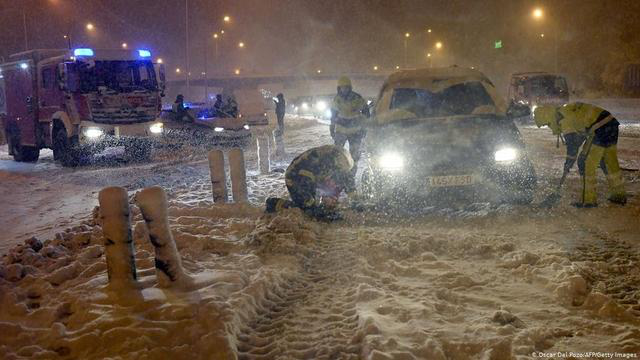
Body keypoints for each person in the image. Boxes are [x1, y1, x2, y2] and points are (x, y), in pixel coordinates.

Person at [534, 103, 627, 207]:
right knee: (609, 161)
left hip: (599, 128)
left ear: (548, 118)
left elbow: (572, 146)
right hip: (610, 124)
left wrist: (568, 164)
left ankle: (588, 200)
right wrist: (571, 155)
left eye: (546, 124)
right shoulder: (565, 111)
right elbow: (580, 133)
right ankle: (619, 194)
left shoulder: (564, 120)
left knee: (584, 162)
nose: (549, 127)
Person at [265, 145, 356, 221]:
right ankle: (274, 203)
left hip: (313, 176)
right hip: (295, 178)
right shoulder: (314, 166)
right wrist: (320, 204)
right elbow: (308, 186)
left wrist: (353, 196)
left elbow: (346, 178)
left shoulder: (341, 160)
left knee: (323, 205)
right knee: (309, 210)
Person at [330, 76, 369, 175]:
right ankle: (339, 173)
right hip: (341, 130)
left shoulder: (357, 98)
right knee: (338, 153)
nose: (344, 89)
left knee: (355, 155)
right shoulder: (336, 99)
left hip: (355, 130)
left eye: (346, 87)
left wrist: (364, 125)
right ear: (339, 88)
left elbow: (366, 111)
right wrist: (332, 126)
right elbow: (333, 114)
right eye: (342, 87)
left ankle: (352, 174)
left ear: (350, 87)